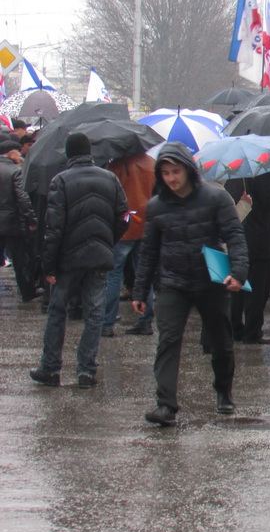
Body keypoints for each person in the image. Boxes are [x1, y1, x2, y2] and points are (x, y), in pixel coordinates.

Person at [133, 142, 249, 426]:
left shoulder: (215, 198)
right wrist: (140, 291)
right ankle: (165, 405)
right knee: (168, 340)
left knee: (221, 341)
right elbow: (148, 251)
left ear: (188, 170)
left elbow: (234, 235)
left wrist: (238, 272)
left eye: (176, 171)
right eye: (165, 173)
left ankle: (223, 391)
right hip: (172, 282)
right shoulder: (156, 206)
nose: (171, 178)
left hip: (211, 281)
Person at [29, 133, 128, 389]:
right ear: (89, 152)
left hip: (68, 259)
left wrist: (49, 265)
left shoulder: (61, 180)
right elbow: (123, 216)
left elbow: (54, 227)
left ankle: (51, 367)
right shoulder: (111, 178)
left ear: (69, 154)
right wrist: (108, 241)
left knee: (57, 311)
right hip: (99, 256)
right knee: (94, 313)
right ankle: (87, 370)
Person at [225, 168, 270, 344]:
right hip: (259, 236)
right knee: (258, 289)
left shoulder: (230, 171)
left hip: (237, 236)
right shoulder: (260, 172)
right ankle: (252, 332)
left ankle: (235, 329)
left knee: (237, 286)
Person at [102, 153, 156, 337]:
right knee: (144, 274)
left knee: (113, 275)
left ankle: (107, 322)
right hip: (146, 224)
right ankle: (145, 321)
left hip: (123, 226)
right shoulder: (150, 163)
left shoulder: (116, 166)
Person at [0, 140, 41, 301]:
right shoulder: (15, 171)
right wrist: (31, 219)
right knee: (19, 259)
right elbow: (22, 198)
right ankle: (27, 291)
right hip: (12, 222)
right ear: (11, 153)